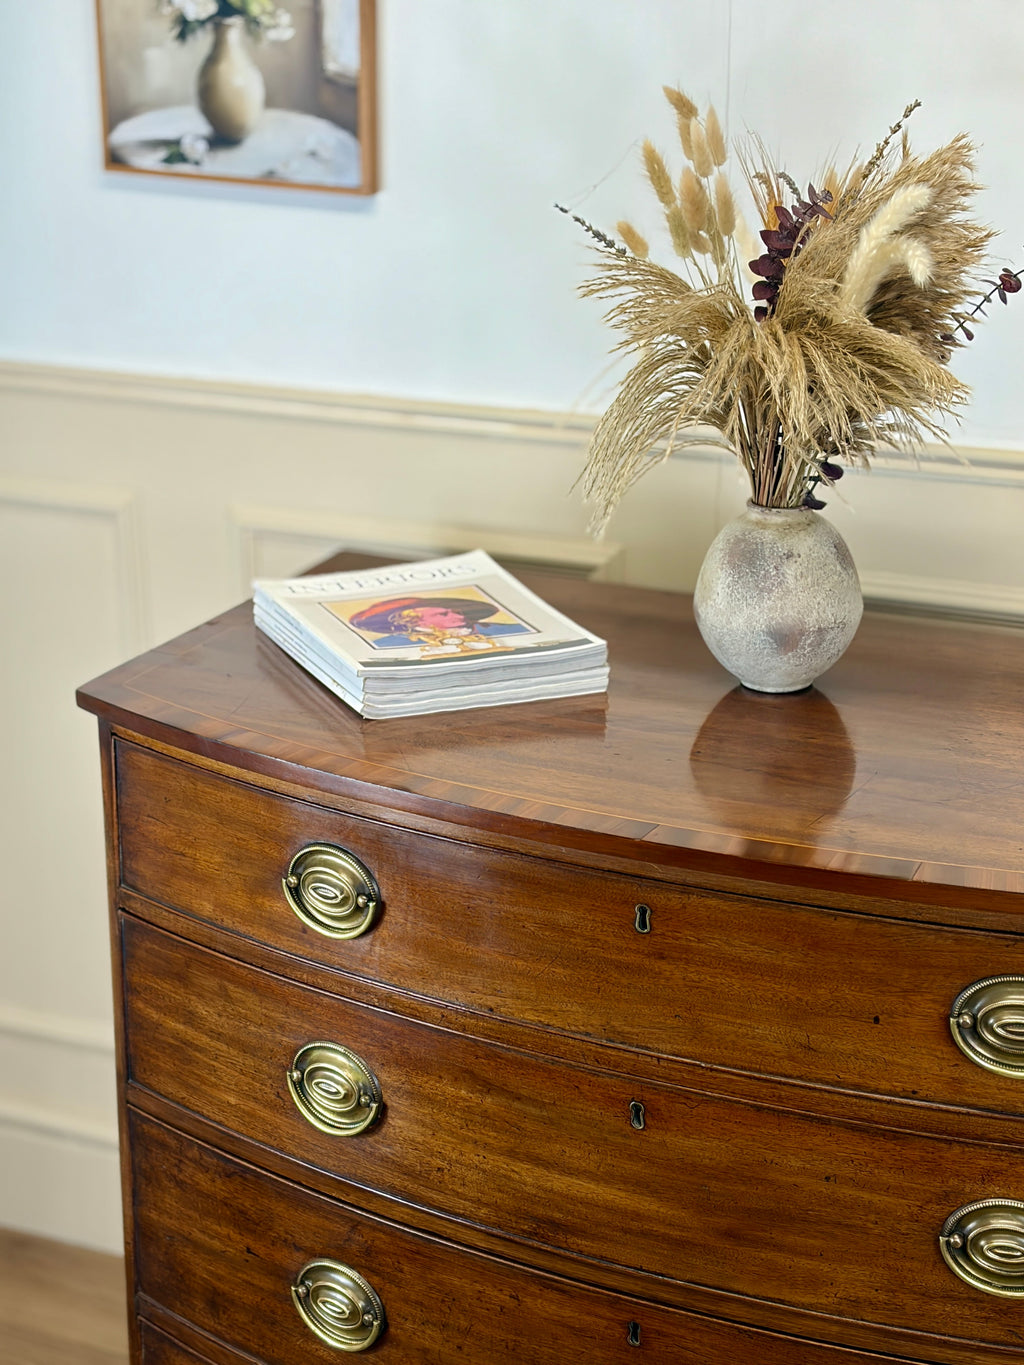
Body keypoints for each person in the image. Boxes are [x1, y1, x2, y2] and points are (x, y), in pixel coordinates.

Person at [348, 594, 531, 656]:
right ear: (413, 620)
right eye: (443, 613)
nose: (457, 615)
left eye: (456, 611)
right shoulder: (389, 645)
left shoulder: (511, 630)